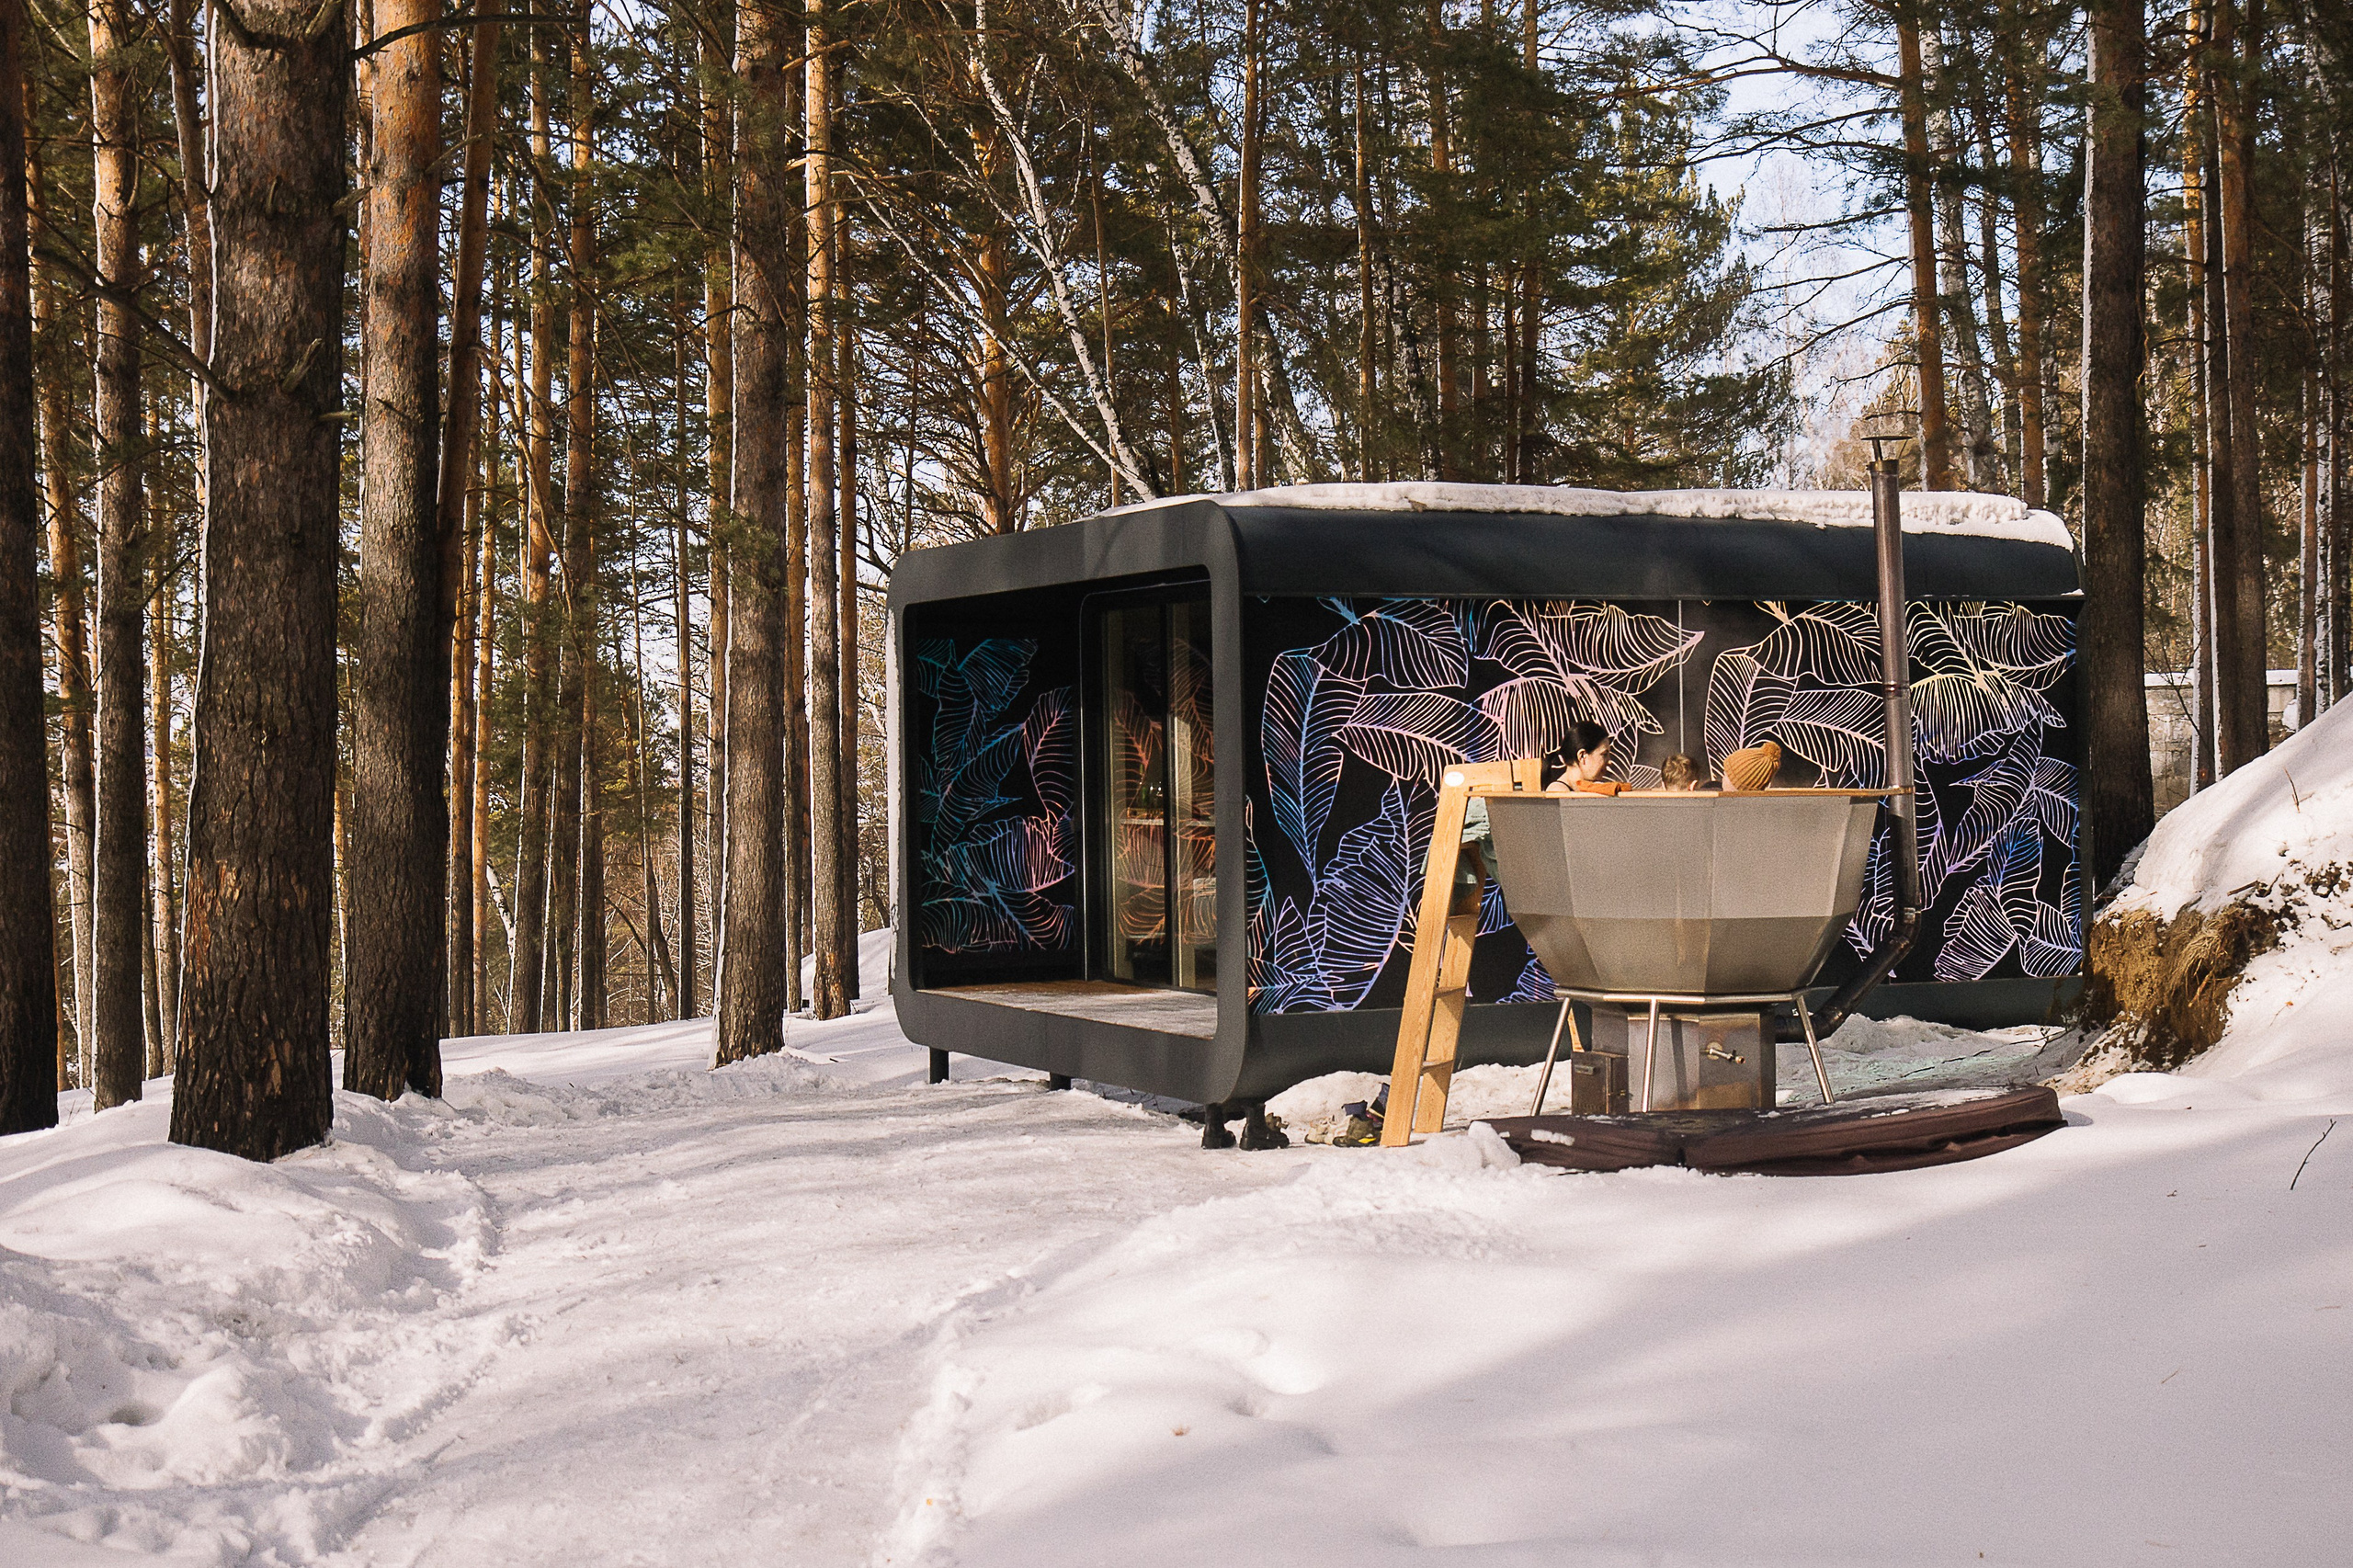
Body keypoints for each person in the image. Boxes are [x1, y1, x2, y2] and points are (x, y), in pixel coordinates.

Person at [1545, 720, 1627, 796]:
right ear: (1582, 756)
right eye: (1604, 754)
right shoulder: (1558, 791)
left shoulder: (1591, 789)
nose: (1609, 761)